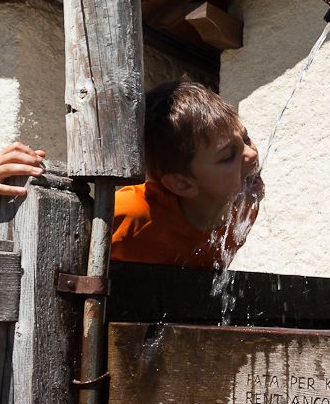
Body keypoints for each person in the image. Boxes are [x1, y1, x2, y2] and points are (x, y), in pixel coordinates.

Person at [111, 79, 264, 268]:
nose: (251, 154)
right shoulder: (128, 213)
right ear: (183, 184)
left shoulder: (243, 209)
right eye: (228, 156)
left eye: (246, 139)